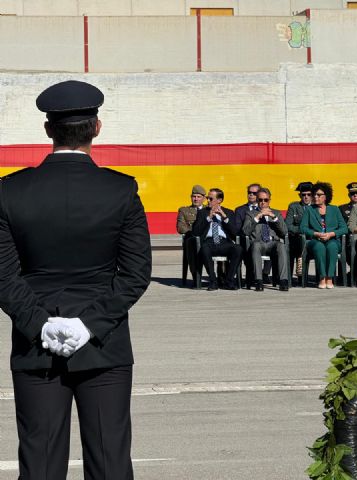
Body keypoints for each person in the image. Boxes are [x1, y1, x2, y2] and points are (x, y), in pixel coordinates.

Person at [0, 80, 152, 479]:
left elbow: (3, 274)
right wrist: (90, 325)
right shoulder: (121, 190)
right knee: (109, 460)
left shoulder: (11, 191)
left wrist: (39, 324)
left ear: (48, 130)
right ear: (97, 128)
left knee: (41, 462)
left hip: (36, 346)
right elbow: (136, 273)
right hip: (104, 344)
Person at [192, 188, 242, 290]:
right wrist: (209, 217)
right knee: (204, 249)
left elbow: (235, 233)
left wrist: (225, 218)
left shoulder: (228, 212)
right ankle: (213, 280)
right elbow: (196, 232)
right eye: (207, 198)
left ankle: (229, 280)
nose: (208, 201)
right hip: (209, 242)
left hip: (224, 242)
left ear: (219, 200)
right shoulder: (202, 212)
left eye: (210, 199)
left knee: (238, 249)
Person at [300, 181, 348, 289]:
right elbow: (302, 228)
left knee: (332, 246)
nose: (316, 197)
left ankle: (329, 277)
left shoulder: (334, 209)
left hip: (332, 239)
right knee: (319, 247)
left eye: (319, 195)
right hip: (315, 240)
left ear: (325, 197)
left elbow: (344, 228)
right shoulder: (309, 210)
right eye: (315, 195)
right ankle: (322, 277)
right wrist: (315, 233)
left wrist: (332, 234)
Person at [243, 187, 289, 292]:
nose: (263, 202)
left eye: (266, 200)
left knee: (281, 246)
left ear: (269, 200)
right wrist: (258, 217)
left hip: (273, 242)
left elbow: (284, 232)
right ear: (257, 200)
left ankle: (283, 281)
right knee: (255, 245)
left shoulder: (276, 213)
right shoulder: (250, 214)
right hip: (259, 243)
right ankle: (258, 280)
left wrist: (274, 218)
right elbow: (245, 231)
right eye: (260, 200)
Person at [234, 183, 269, 287]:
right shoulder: (240, 210)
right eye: (249, 193)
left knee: (273, 242)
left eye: (254, 193)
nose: (251, 195)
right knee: (248, 245)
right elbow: (238, 229)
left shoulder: (267, 208)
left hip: (264, 239)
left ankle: (265, 273)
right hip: (247, 239)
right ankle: (251, 276)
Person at [177, 184, 206, 284]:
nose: (196, 199)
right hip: (192, 240)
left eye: (199, 197)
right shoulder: (184, 211)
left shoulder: (208, 210)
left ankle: (221, 277)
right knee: (190, 243)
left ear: (204, 198)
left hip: (207, 240)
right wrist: (195, 234)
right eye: (194, 196)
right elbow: (181, 228)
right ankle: (196, 277)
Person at [285, 181, 313, 279]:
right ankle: (289, 278)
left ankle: (301, 263)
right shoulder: (294, 206)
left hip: (313, 238)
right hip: (297, 237)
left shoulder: (316, 206)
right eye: (303, 194)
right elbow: (287, 225)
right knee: (294, 243)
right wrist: (302, 230)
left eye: (309, 194)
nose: (306, 197)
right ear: (299, 195)